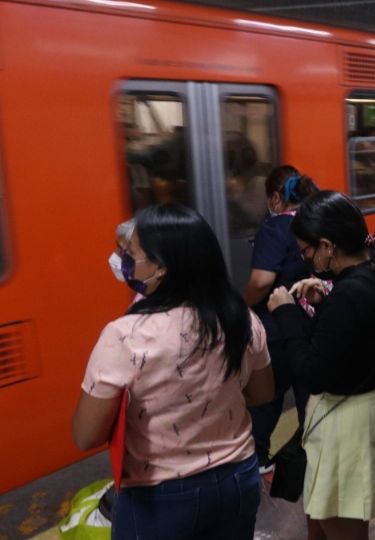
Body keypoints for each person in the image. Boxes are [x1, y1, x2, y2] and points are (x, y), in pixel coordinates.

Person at [74, 204, 274, 540]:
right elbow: (262, 393)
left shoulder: (124, 335)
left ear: (162, 267)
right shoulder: (241, 319)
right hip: (237, 481)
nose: (121, 258)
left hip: (159, 497)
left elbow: (86, 435)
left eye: (130, 252)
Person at [266, 191, 375, 540]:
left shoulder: (350, 294)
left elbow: (312, 371)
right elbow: (352, 339)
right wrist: (325, 300)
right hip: (362, 412)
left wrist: (286, 313)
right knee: (324, 517)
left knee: (340, 527)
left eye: (306, 249)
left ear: (327, 246)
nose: (305, 257)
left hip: (345, 426)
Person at [243, 165, 317, 472]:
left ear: (276, 198)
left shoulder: (275, 229)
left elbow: (262, 281)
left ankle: (258, 459)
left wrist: (241, 306)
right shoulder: (315, 220)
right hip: (310, 322)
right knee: (308, 395)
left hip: (276, 327)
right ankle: (314, 453)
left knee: (268, 397)